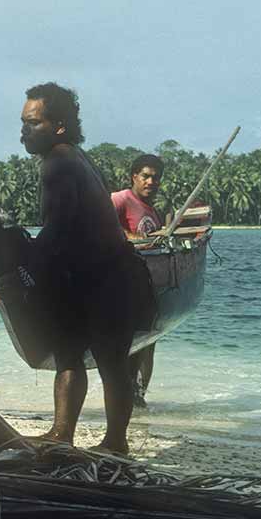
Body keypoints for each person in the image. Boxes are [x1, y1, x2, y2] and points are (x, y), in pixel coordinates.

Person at [19, 82, 155, 454]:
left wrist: (26, 263)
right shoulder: (74, 155)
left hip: (103, 276)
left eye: (34, 123)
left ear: (59, 125)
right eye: (24, 123)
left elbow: (58, 227)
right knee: (80, 356)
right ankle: (72, 435)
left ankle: (106, 441)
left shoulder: (58, 162)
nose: (24, 131)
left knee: (102, 361)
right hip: (97, 274)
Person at [111, 154, 165, 407]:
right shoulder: (121, 198)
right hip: (123, 285)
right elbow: (103, 221)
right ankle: (124, 396)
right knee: (130, 345)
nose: (150, 181)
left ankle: (138, 396)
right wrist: (131, 237)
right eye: (145, 176)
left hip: (148, 289)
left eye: (155, 177)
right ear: (134, 176)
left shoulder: (153, 211)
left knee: (149, 343)